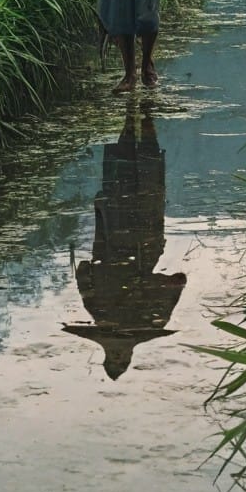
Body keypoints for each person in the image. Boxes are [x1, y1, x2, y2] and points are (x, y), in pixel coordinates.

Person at [63, 102, 186, 379]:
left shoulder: (101, 311)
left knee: (132, 165)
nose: (119, 351)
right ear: (129, 355)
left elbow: (84, 270)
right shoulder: (104, 311)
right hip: (131, 232)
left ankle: (137, 111)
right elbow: (178, 280)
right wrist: (143, 289)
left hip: (129, 231)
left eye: (115, 354)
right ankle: (142, 110)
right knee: (139, 165)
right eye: (121, 355)